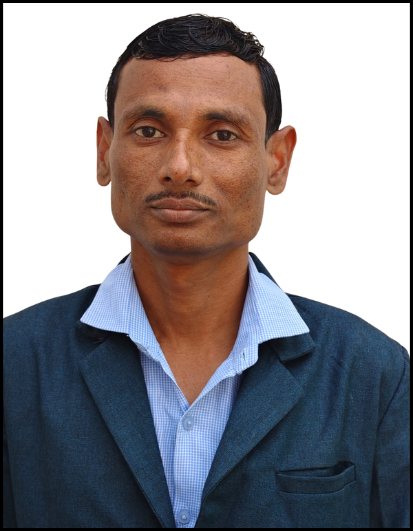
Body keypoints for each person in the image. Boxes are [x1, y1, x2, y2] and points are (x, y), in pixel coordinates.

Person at [3, 14, 409, 529]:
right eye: (149, 131)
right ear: (105, 150)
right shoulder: (14, 364)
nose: (180, 166)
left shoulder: (372, 374)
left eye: (221, 134)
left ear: (277, 161)